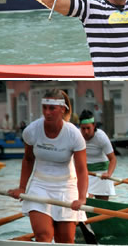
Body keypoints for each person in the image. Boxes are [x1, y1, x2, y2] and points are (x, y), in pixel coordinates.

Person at [7, 89, 88, 243]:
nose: (47, 112)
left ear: (62, 109)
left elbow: (82, 170)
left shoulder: (74, 134)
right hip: (40, 186)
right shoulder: (32, 130)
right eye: (44, 107)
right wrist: (22, 187)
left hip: (66, 186)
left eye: (52, 108)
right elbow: (28, 159)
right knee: (44, 235)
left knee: (65, 240)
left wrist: (82, 198)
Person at [79, 109, 116, 200]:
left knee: (102, 204)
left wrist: (108, 173)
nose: (86, 132)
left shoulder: (101, 137)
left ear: (94, 125)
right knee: (86, 199)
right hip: (85, 173)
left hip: (101, 174)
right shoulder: (76, 135)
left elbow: (113, 159)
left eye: (88, 128)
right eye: (83, 129)